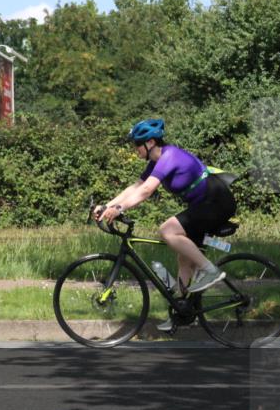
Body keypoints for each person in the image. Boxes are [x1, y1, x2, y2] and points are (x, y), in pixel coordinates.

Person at [95, 118, 236, 331]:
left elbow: (146, 191)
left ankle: (210, 271)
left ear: (150, 142)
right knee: (184, 259)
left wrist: (120, 209)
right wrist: (108, 205)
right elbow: (136, 186)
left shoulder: (169, 156)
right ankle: (183, 312)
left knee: (167, 230)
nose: (134, 149)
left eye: (136, 144)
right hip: (204, 204)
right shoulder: (156, 161)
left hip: (216, 201)